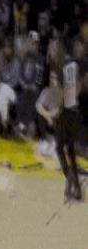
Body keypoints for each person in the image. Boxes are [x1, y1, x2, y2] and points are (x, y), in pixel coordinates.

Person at [55, 39, 83, 201]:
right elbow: (77, 87)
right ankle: (76, 187)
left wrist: (58, 110)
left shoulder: (64, 67)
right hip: (74, 110)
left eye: (53, 50)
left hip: (67, 112)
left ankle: (70, 178)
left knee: (60, 147)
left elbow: (67, 91)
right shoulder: (71, 65)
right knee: (70, 150)